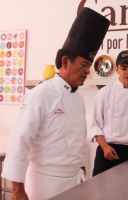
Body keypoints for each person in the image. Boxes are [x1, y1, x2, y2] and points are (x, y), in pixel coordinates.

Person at [1, 5, 110, 200]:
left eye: (89, 66)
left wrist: (84, 175)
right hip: (44, 186)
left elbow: (78, 146)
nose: (88, 71)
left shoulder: (78, 98)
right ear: (66, 61)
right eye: (84, 65)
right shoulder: (39, 95)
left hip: (76, 182)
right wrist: (18, 191)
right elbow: (19, 143)